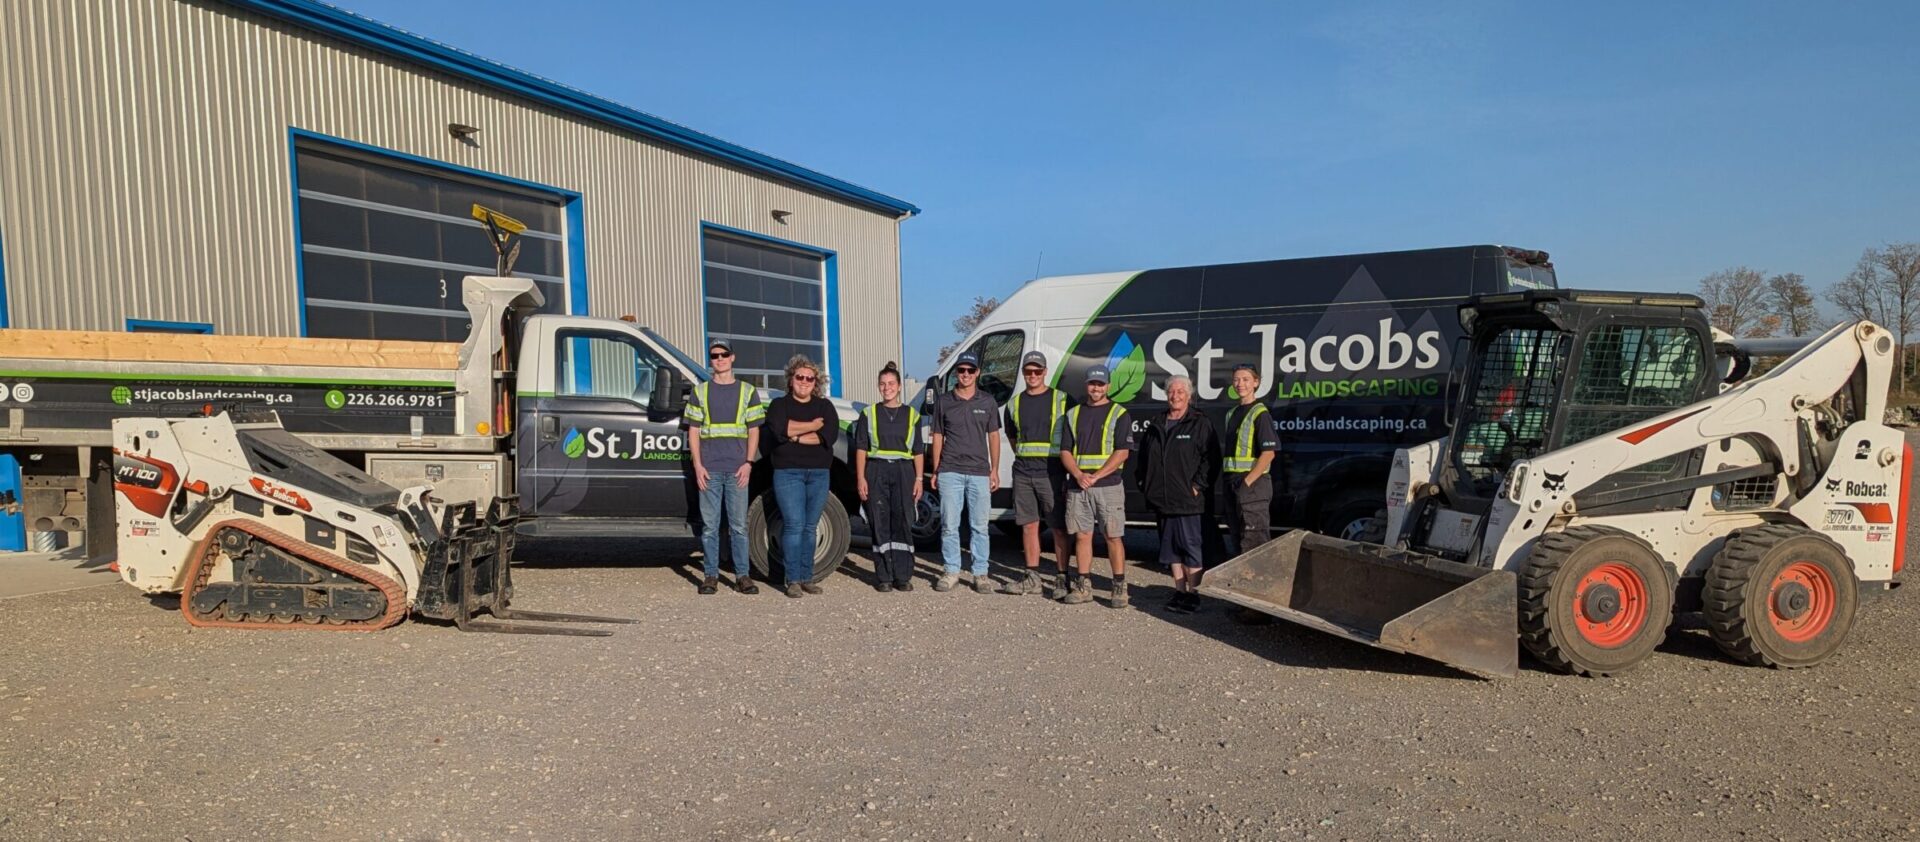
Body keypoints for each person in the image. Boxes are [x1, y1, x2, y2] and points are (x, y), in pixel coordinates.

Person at [685, 339, 765, 595]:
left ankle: (743, 576)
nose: (719, 359)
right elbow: (693, 431)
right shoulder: (700, 392)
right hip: (709, 469)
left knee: (738, 526)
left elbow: (754, 430)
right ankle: (711, 576)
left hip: (737, 470)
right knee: (709, 527)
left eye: (723, 354)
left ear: (733, 357)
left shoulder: (747, 391)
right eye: (714, 355)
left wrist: (749, 463)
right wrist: (697, 466)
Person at [1136, 376, 1219, 614]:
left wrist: (1197, 485)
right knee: (1170, 548)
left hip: (1188, 500)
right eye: (1172, 391)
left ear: (1189, 395)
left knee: (1190, 547)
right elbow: (1143, 458)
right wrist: (1144, 483)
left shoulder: (1199, 423)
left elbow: (1211, 459)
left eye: (1181, 391)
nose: (1176, 395)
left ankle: (1194, 594)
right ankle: (1179, 591)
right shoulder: (1157, 422)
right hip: (1162, 499)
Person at [1059, 365, 1135, 608]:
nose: (1096, 388)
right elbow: (1065, 451)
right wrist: (1079, 474)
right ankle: (1083, 586)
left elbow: (1122, 452)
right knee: (1082, 536)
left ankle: (1119, 587)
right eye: (1092, 383)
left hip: (1109, 486)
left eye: (1101, 384)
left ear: (1108, 386)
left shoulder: (1119, 413)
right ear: (1086, 385)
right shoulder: (1073, 414)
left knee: (1113, 536)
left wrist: (1097, 475)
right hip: (1079, 485)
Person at [999, 351, 1073, 597]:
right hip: (1023, 472)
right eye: (1028, 372)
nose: (1033, 375)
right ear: (1023, 373)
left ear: (1045, 372)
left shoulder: (1063, 400)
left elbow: (1074, 436)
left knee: (1059, 527)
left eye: (1037, 371)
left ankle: (1062, 578)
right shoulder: (1014, 403)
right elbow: (1012, 437)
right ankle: (1032, 577)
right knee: (1029, 526)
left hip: (1052, 472)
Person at [764, 356, 838, 599]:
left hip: (819, 473)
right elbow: (779, 430)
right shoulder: (779, 406)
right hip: (788, 472)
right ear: (791, 379)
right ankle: (792, 579)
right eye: (800, 377)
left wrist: (795, 433)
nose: (805, 382)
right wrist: (812, 426)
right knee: (794, 525)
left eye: (810, 378)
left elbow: (828, 436)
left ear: (815, 382)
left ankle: (807, 577)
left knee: (810, 527)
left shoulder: (825, 407)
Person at [928, 351, 1001, 593]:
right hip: (950, 470)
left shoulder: (988, 402)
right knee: (950, 524)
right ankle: (951, 571)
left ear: (978, 372)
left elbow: (993, 436)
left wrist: (995, 470)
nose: (966, 374)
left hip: (980, 471)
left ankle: (981, 574)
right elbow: (937, 436)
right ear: (956, 373)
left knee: (980, 526)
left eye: (970, 370)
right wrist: (936, 469)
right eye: (961, 370)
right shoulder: (944, 401)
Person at [854, 362, 925, 592]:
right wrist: (861, 478)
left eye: (891, 383)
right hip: (876, 471)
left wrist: (919, 479)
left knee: (903, 521)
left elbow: (918, 451)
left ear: (899, 386)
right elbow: (861, 449)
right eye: (883, 384)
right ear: (878, 387)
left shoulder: (912, 414)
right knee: (879, 521)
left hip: (904, 472)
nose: (887, 388)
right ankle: (884, 576)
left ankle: (903, 576)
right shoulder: (868, 414)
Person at [1222, 363, 1279, 555]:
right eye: (1236, 380)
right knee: (1238, 539)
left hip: (1253, 485)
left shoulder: (1260, 413)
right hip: (1232, 482)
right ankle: (1242, 582)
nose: (1240, 384)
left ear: (1256, 382)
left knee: (1254, 540)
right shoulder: (1232, 413)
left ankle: (1258, 584)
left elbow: (1269, 453)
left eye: (1245, 379)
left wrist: (1247, 482)